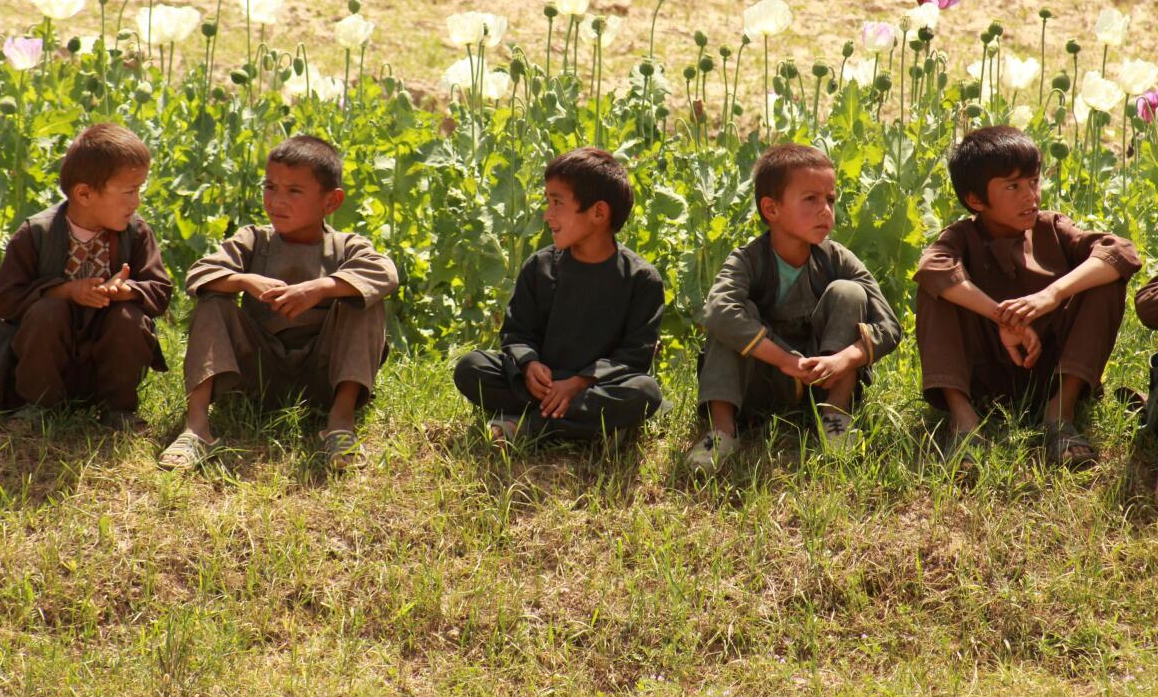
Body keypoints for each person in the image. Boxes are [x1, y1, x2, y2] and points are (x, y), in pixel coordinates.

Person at [158, 135, 398, 470]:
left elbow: (385, 272)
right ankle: (197, 426)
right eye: (270, 187)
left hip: (323, 376)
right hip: (258, 371)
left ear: (332, 202)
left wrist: (320, 288)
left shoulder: (346, 246)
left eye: (294, 191)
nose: (277, 201)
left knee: (363, 299)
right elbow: (200, 273)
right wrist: (244, 280)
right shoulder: (255, 239)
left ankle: (340, 420)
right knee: (214, 298)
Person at [914, 125, 1140, 471]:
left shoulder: (1052, 228)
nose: (1030, 196)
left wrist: (1051, 295)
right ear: (976, 200)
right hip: (985, 372)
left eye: (1034, 182)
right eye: (1012, 186)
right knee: (937, 293)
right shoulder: (962, 236)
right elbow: (932, 268)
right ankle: (964, 422)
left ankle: (1059, 416)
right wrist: (1003, 318)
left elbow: (1120, 252)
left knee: (1104, 280)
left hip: (1052, 370)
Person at [685, 143, 902, 473]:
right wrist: (786, 361)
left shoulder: (837, 258)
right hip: (760, 382)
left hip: (822, 379)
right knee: (729, 317)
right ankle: (722, 432)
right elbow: (717, 312)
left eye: (830, 199)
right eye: (811, 199)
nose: (825, 211)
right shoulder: (747, 260)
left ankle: (834, 418)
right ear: (771, 209)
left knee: (849, 292)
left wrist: (843, 359)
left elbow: (889, 325)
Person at [453, 146, 664, 445]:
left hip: (594, 387)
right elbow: (517, 332)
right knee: (471, 367)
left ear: (598, 213)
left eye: (557, 203)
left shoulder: (642, 280)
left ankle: (527, 427)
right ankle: (591, 427)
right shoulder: (539, 267)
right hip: (541, 385)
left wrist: (578, 383)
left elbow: (634, 355)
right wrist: (529, 366)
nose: (547, 214)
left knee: (644, 393)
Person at [0, 122, 171, 431]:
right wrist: (65, 291)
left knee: (127, 317)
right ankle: (36, 409)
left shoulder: (136, 233)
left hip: (100, 369)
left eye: (139, 191)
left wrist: (125, 292)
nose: (136, 202)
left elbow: (160, 290)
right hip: (39, 368)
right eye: (129, 192)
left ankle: (117, 410)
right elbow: (5, 302)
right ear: (84, 193)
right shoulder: (36, 234)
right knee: (48, 311)